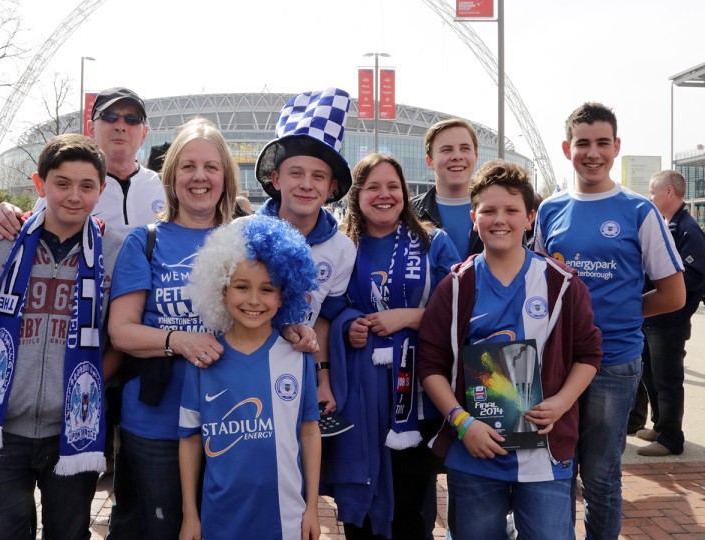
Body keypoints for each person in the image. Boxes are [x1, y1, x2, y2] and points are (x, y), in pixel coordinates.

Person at [107, 118, 317, 539]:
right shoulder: (145, 241)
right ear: (171, 177)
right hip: (159, 422)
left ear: (225, 176)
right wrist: (178, 341)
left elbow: (265, 303)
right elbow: (122, 332)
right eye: (187, 167)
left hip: (236, 420)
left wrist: (294, 329)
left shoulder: (247, 240)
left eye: (210, 167)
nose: (199, 177)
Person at [0, 134, 124, 539]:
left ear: (101, 190)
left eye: (87, 186)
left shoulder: (117, 250)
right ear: (39, 183)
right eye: (62, 183)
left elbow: (120, 336)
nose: (73, 196)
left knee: (69, 533)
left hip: (73, 429)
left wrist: (90, 383)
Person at [420, 159, 603, 539]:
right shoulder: (455, 286)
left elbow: (588, 355)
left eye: (511, 210)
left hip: (545, 455)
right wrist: (461, 421)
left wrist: (562, 403)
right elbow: (431, 364)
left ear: (530, 217)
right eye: (488, 210)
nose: (499, 219)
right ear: (474, 217)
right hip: (474, 453)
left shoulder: (562, 284)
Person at [534, 103, 685, 539]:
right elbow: (541, 284)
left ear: (616, 147)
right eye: (583, 143)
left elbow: (673, 295)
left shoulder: (639, 211)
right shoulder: (549, 210)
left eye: (603, 142)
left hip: (614, 363)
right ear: (567, 148)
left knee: (600, 478)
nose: (593, 152)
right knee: (556, 471)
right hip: (558, 363)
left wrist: (616, 316)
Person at [323, 154, 459, 539]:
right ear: (357, 195)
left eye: (393, 187)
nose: (385, 195)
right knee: (357, 507)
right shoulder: (341, 246)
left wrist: (409, 317)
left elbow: (462, 308)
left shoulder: (433, 242)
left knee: (410, 507)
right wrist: (349, 327)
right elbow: (327, 311)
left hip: (417, 399)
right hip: (360, 397)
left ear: (405, 192)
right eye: (373, 187)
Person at [179, 215, 321, 540]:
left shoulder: (297, 356)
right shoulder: (204, 357)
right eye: (242, 287)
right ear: (222, 290)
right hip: (220, 518)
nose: (254, 300)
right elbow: (189, 440)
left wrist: (311, 507)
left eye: (267, 289)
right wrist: (190, 515)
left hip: (286, 518)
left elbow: (310, 432)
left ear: (284, 296)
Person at [254, 87, 358, 414]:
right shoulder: (242, 235)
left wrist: (322, 376)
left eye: (318, 177)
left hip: (299, 377)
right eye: (295, 173)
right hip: (245, 372)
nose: (306, 184)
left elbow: (323, 320)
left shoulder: (342, 248)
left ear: (331, 189)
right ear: (276, 178)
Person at [0, 86, 165, 240]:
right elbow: (29, 230)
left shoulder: (165, 188)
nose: (121, 126)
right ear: (91, 129)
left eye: (132, 119)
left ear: (144, 134)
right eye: (110, 117)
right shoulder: (65, 191)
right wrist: (5, 215)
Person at [630, 170, 705, 457]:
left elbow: (691, 278)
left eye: (653, 191)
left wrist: (661, 296)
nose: (650, 197)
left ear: (670, 192)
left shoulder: (688, 229)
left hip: (670, 321)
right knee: (651, 375)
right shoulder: (667, 225)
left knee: (667, 379)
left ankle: (672, 437)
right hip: (654, 320)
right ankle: (661, 425)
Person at [412, 118, 483, 260]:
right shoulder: (409, 212)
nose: (457, 156)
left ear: (475, 157)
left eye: (465, 148)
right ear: (429, 161)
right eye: (446, 150)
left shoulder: (501, 208)